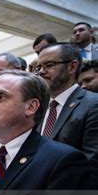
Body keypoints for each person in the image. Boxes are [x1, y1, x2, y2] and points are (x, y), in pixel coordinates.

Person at [37, 42, 98, 185]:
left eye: (49, 65)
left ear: (72, 67)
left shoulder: (93, 104)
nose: (41, 71)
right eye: (39, 67)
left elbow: (91, 166)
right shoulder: (39, 107)